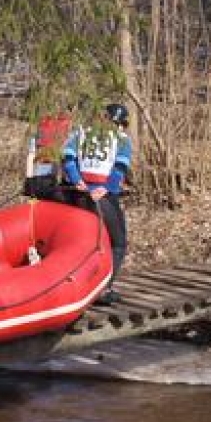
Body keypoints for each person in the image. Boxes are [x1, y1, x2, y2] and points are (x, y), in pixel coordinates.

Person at [61, 102, 132, 305]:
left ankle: (77, 285)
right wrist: (108, 187)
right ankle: (103, 288)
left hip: (79, 195)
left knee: (85, 244)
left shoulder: (82, 132)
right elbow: (120, 166)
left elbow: (67, 156)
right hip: (103, 197)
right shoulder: (122, 139)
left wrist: (77, 180)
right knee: (117, 243)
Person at [23, 112, 71, 201]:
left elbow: (31, 155)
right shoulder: (63, 125)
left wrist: (28, 179)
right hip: (44, 177)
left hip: (46, 177)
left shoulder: (64, 123)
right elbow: (31, 154)